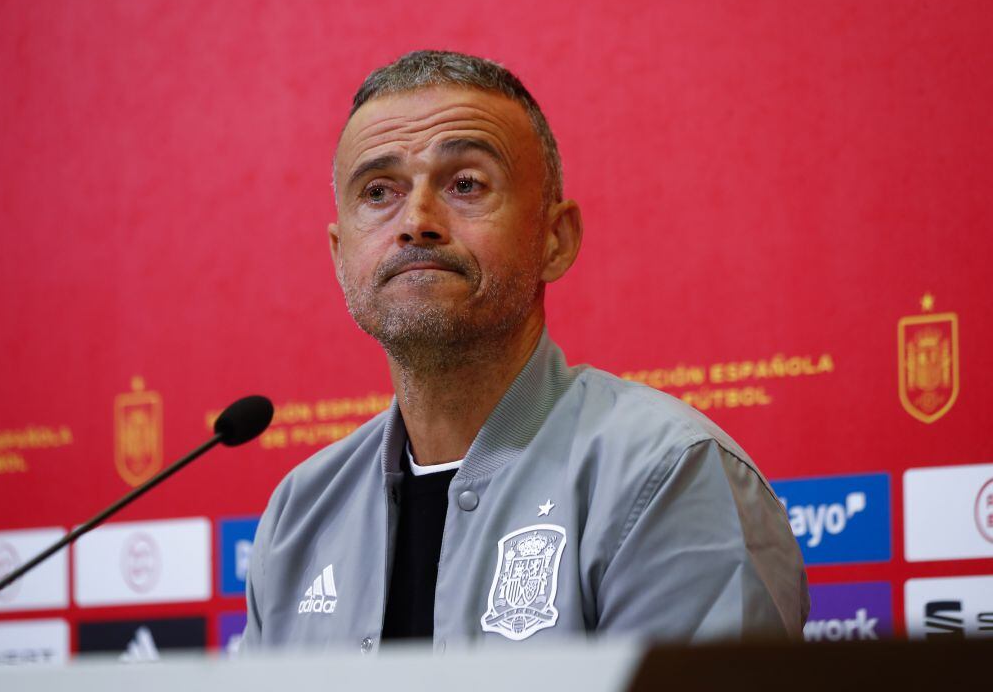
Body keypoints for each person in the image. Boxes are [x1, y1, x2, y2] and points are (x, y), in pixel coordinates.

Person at [242, 50, 808, 652]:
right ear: (339, 255)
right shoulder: (298, 515)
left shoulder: (665, 474)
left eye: (465, 184)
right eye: (378, 192)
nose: (416, 221)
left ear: (554, 240)